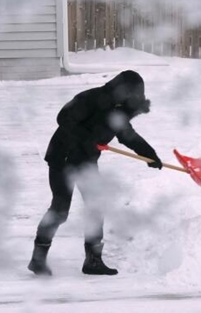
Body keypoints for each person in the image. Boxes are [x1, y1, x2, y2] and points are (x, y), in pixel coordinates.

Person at [28, 70, 162, 276]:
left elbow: (128, 136)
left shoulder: (118, 111)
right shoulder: (92, 98)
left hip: (85, 162)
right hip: (63, 158)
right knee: (60, 210)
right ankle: (38, 259)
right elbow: (63, 118)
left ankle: (93, 261)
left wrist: (149, 155)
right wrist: (87, 139)